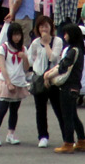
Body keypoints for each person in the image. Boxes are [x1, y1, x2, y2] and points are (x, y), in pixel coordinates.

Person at [45, 23, 85, 153]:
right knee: (73, 115)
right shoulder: (78, 49)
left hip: (68, 87)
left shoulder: (73, 50)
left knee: (67, 116)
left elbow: (63, 66)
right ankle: (82, 141)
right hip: (74, 86)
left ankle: (69, 143)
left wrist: (48, 75)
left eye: (66, 34)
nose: (64, 36)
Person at [0, 20, 28, 146]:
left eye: (18, 35)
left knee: (14, 110)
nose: (16, 38)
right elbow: (2, 66)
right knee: (2, 109)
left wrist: (25, 58)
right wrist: (8, 83)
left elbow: (26, 68)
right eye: (14, 35)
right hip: (6, 82)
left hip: (19, 82)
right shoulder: (3, 48)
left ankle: (11, 134)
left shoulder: (23, 49)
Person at [27, 16, 63, 148]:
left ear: (51, 27)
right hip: (39, 79)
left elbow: (53, 57)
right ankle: (42, 136)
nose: (44, 29)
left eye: (46, 26)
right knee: (40, 110)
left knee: (59, 109)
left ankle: (67, 136)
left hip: (53, 79)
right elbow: (30, 60)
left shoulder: (57, 41)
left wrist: (47, 44)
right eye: (41, 26)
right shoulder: (35, 43)